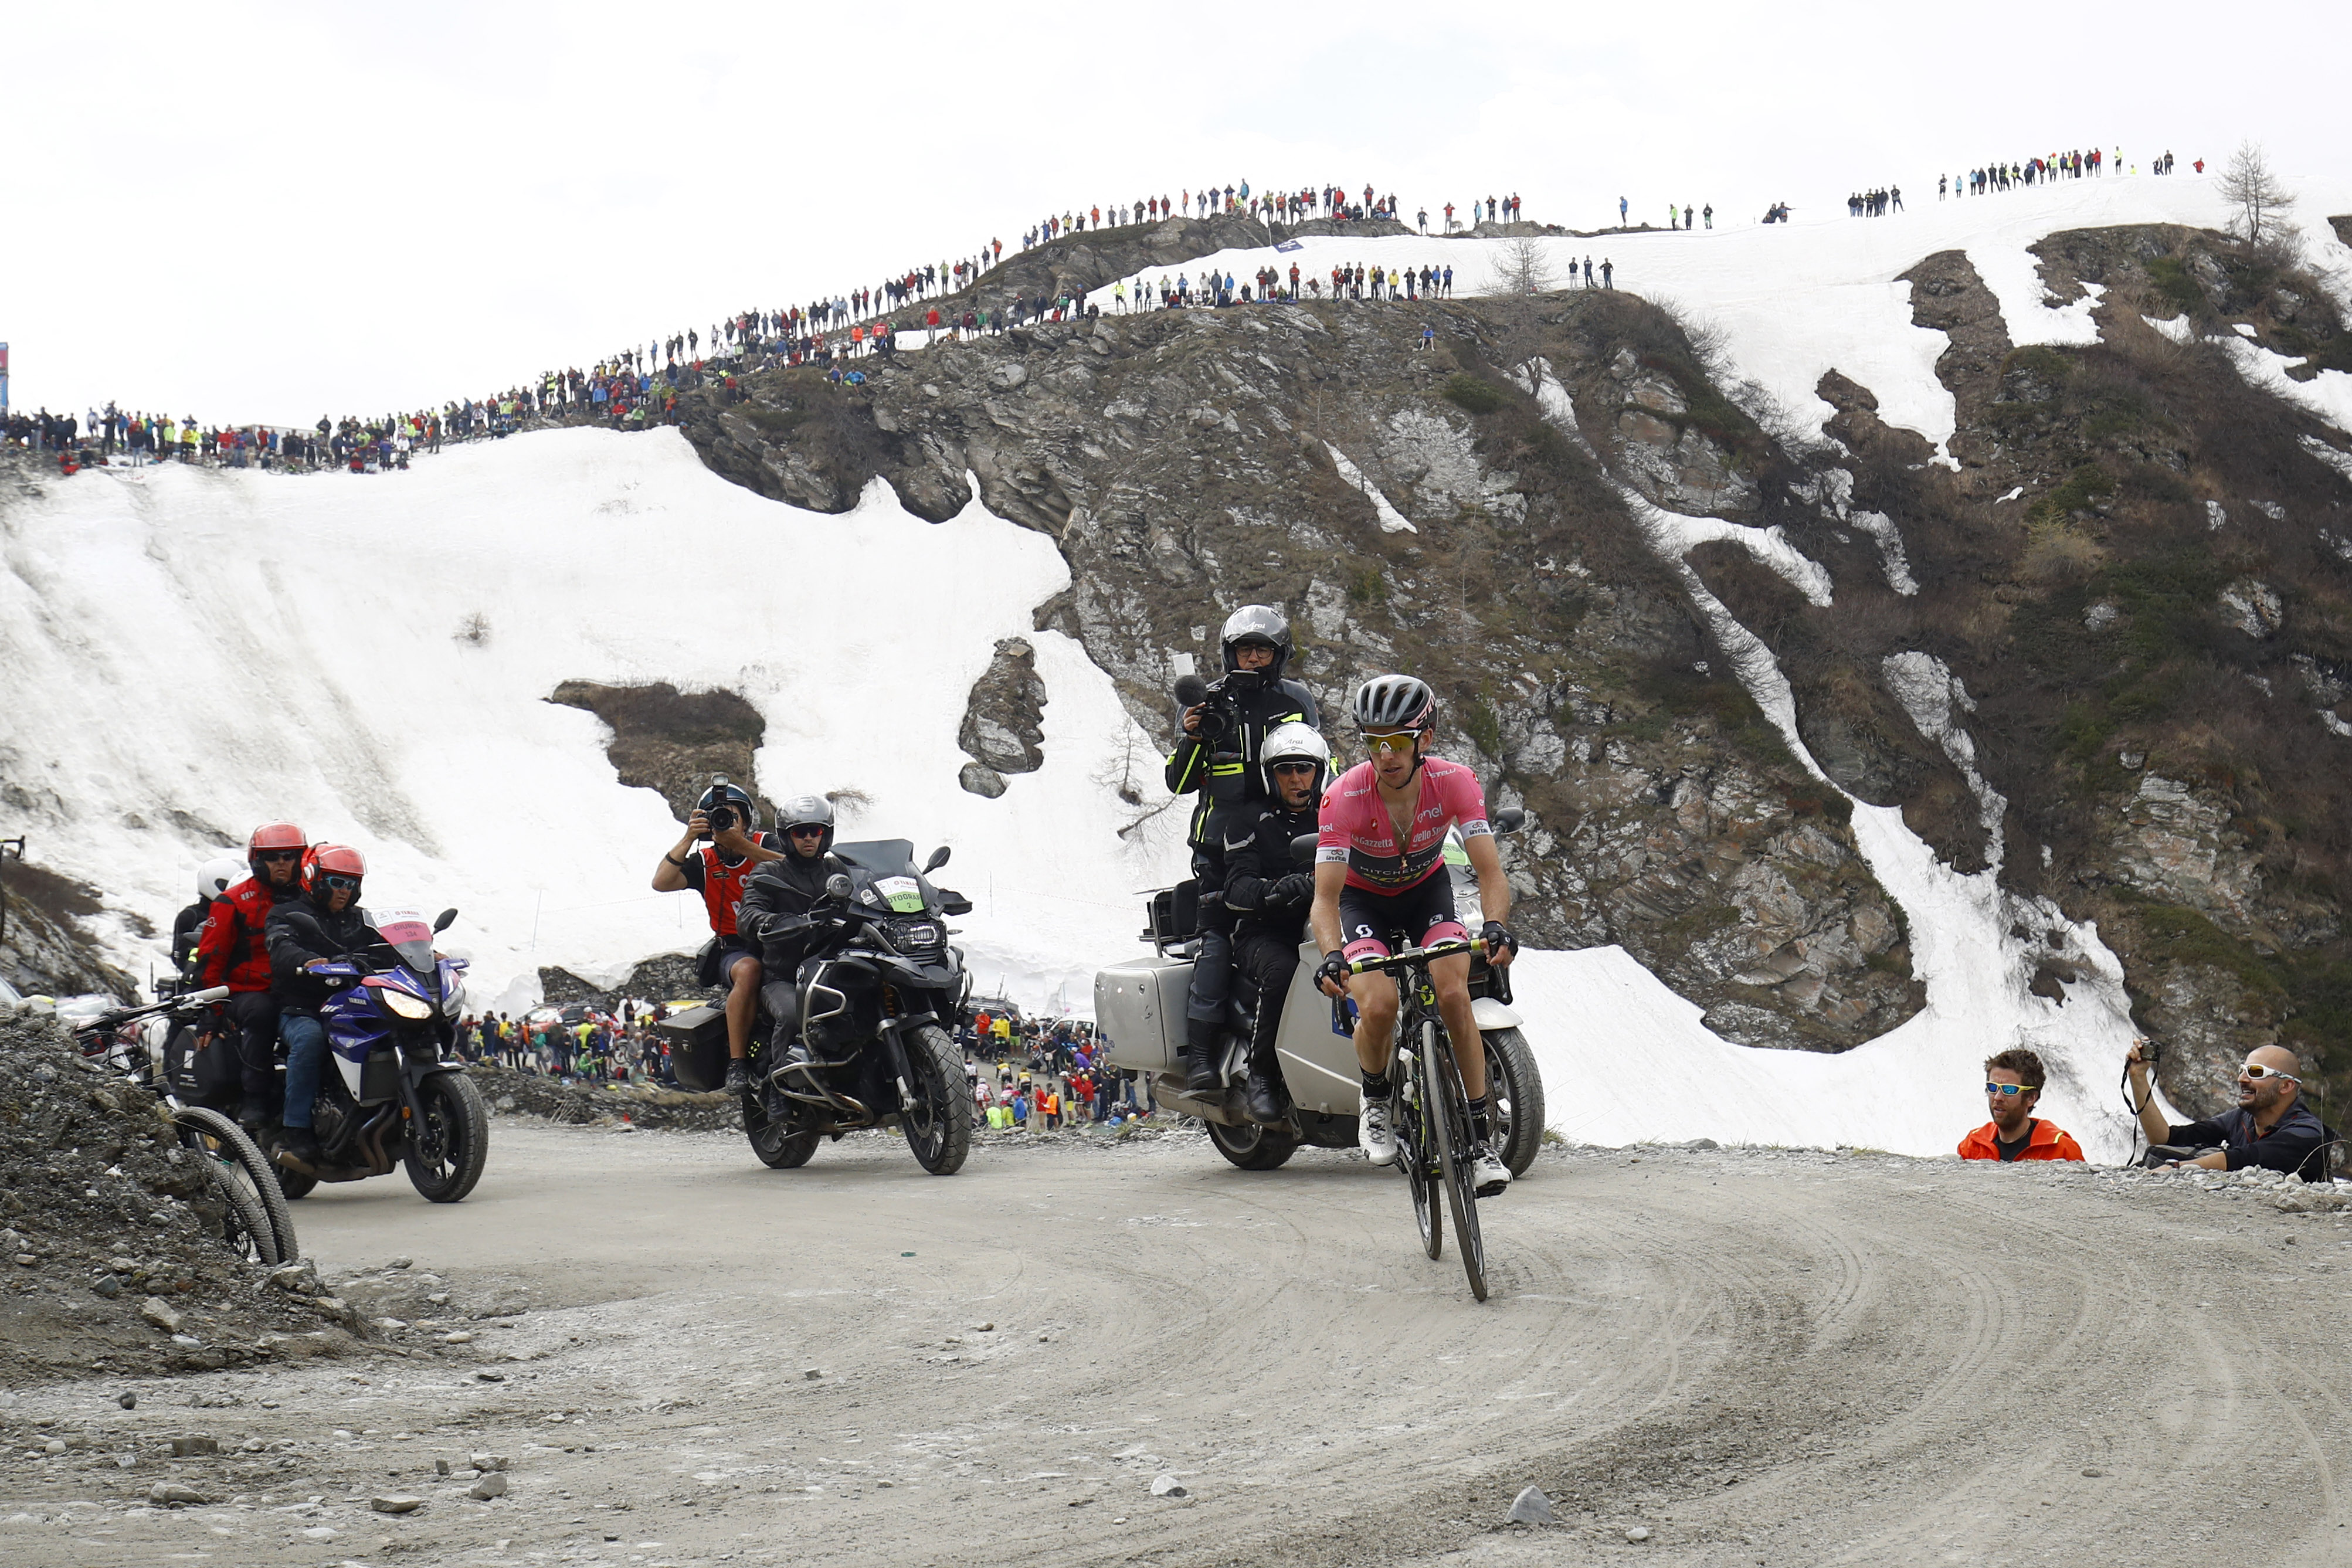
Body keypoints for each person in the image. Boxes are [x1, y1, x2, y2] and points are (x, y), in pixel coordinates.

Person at [1311, 675, 1518, 1192]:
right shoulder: (1342, 797)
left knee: (1454, 995)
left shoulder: (1456, 782)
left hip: (1428, 892)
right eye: (1374, 742)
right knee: (1379, 1005)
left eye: (1398, 742)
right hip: (1363, 902)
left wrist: (1496, 926)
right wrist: (1332, 955)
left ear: (1424, 739)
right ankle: (1376, 1097)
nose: (1386, 755)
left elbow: (1490, 873)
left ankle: (1480, 1141)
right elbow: (1325, 898)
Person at [1163, 606, 1319, 1093]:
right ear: (1229, 654)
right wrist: (1193, 737)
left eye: (1262, 650)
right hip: (1218, 848)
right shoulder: (1206, 702)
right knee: (1216, 941)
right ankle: (1201, 1057)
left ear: (1279, 655)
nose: (1253, 658)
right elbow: (1178, 783)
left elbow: (1320, 761)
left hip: (1284, 837)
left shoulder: (1296, 700)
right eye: (1244, 650)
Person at [1222, 722, 1329, 1124]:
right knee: (1284, 971)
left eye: (1304, 768)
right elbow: (1236, 887)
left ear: (1319, 771)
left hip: (1329, 924)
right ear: (1271, 775)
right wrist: (1277, 890)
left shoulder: (1334, 814)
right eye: (1285, 769)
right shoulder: (1249, 820)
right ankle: (1262, 1075)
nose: (1296, 778)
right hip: (1266, 932)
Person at [650, 778, 783, 1093]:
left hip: (782, 940)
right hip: (735, 948)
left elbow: (794, 868)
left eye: (732, 817)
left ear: (747, 821)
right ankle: (737, 1063)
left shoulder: (767, 844)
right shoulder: (706, 862)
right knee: (749, 970)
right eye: (717, 818)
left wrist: (742, 845)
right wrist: (689, 838)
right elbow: (661, 882)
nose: (726, 823)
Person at [265, 844, 376, 1175]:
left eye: (352, 884)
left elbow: (388, 944)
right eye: (337, 882)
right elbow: (281, 947)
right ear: (313, 877)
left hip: (352, 1004)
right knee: (311, 1040)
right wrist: (306, 961)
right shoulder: (286, 914)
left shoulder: (360, 919)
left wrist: (428, 954)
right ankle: (296, 1130)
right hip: (302, 1008)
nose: (345, 891)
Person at [194, 822, 310, 1132]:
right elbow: (211, 959)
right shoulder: (232, 901)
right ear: (258, 860)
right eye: (273, 857)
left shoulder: (312, 897)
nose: (282, 863)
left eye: (289, 856)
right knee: (262, 1012)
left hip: (299, 988)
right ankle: (254, 1098)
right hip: (248, 992)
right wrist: (210, 1013)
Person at [736, 795, 851, 1075]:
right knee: (792, 1015)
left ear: (825, 834)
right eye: (800, 832)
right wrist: (775, 921)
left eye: (815, 830)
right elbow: (747, 914)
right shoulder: (769, 872)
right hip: (785, 975)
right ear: (787, 837)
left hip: (833, 969)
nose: (808, 838)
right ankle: (779, 1085)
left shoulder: (838, 869)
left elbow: (868, 893)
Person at [2126, 1039, 2334, 1180]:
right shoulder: (2240, 1119)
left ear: (2286, 1086)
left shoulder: (2308, 1134)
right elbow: (2166, 1140)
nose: (2241, 1079)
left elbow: (2246, 1158)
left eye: (2255, 1072)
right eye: (2242, 1070)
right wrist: (2138, 1077)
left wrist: (2177, 1169)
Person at [1957, 1048, 2085, 1162]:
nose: (1997, 1097)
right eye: (1993, 1087)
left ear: (2031, 1098)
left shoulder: (2061, 1150)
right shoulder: (1973, 1146)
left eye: (2009, 1090)